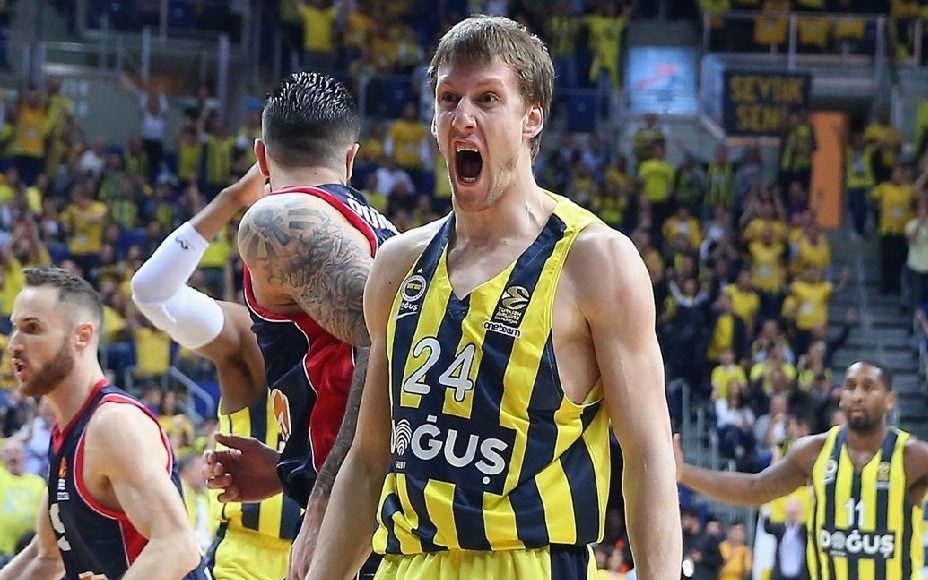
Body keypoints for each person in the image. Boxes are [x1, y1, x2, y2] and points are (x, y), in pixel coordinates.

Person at [308, 15, 682, 579]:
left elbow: (648, 454)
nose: (463, 118)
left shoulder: (595, 261)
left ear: (532, 117)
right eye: (448, 99)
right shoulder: (398, 266)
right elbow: (368, 461)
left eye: (487, 98)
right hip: (407, 563)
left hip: (528, 563)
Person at [202, 71, 397, 579]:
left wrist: (326, 500)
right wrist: (287, 470)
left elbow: (389, 336)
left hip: (363, 517)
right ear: (350, 159)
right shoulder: (382, 230)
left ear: (262, 157)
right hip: (387, 505)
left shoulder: (278, 220)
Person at [674, 360, 928, 579]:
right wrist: (683, 472)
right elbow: (754, 489)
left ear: (890, 399)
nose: (857, 395)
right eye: (851, 386)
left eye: (868, 387)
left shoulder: (915, 457)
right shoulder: (814, 452)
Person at [131, 166, 303, 579]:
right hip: (245, 561)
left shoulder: (367, 330)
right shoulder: (249, 335)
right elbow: (153, 292)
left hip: (340, 557)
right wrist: (231, 200)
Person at [0, 267, 204, 579]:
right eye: (15, 328)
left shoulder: (112, 424)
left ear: (81, 336)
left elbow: (177, 545)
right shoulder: (67, 430)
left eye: (32, 328)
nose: (14, 344)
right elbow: (46, 556)